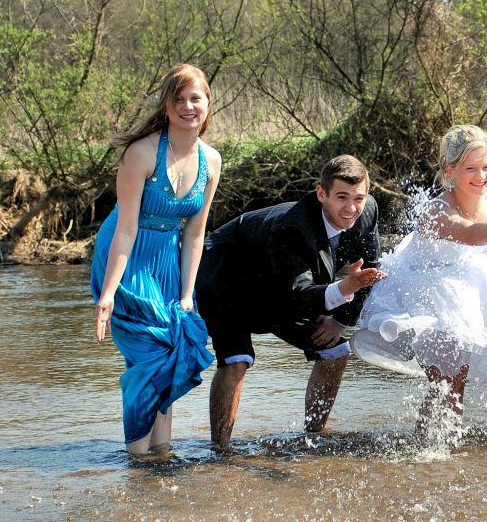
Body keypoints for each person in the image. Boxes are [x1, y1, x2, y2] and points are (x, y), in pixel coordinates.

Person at [352, 124, 487, 431]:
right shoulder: (436, 212)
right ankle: (427, 447)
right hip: (425, 295)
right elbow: (472, 235)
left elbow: (481, 242)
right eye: (471, 168)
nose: (481, 176)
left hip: (465, 292)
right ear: (450, 169)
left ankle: (448, 444)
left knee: (458, 380)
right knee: (446, 379)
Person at [197, 155, 386, 446]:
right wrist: (344, 287)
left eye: (358, 198)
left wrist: (340, 320)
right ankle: (220, 451)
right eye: (341, 197)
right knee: (236, 361)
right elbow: (298, 298)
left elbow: (370, 267)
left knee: (335, 351)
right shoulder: (292, 227)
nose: (351, 208)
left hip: (285, 284)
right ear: (321, 193)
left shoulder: (367, 210)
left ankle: (314, 439)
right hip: (227, 278)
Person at [91, 63, 222, 455]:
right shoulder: (142, 153)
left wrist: (186, 297)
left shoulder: (211, 161)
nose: (187, 106)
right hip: (125, 255)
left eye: (194, 98)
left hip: (169, 256)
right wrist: (108, 294)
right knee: (150, 356)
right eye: (178, 99)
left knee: (173, 346)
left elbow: (195, 233)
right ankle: (137, 455)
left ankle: (161, 450)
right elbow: (126, 229)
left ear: (207, 104)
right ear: (166, 106)